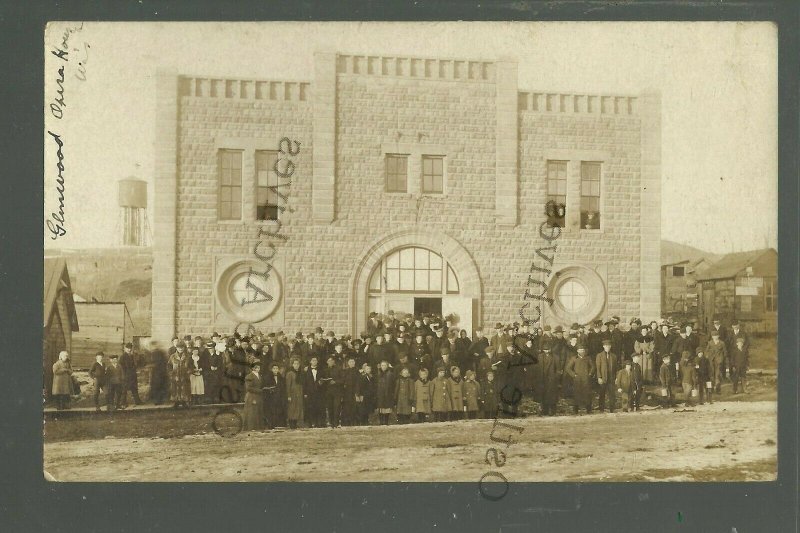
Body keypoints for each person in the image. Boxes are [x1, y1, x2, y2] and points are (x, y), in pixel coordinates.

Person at [565, 344, 595, 414]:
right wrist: (574, 375)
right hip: (577, 379)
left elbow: (593, 367)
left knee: (587, 393)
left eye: (583, 350)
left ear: (585, 351)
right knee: (577, 393)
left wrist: (590, 374)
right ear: (577, 351)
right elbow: (568, 368)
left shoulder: (588, 358)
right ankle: (576, 409)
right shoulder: (574, 358)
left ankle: (589, 409)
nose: (582, 351)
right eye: (580, 350)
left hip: (586, 379)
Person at [537, 342, 562, 416]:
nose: (546, 351)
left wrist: (555, 377)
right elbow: (537, 367)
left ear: (550, 349)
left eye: (548, 349)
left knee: (552, 396)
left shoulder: (555, 357)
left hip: (552, 380)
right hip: (543, 379)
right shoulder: (540, 356)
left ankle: (553, 411)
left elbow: (558, 370)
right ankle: (545, 411)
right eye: (545, 350)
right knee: (543, 395)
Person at [595, 338, 618, 413]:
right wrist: (599, 377)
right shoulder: (599, 355)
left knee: (612, 394)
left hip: (611, 378)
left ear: (610, 346)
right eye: (606, 346)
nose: (607, 347)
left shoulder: (614, 356)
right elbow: (598, 367)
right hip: (603, 378)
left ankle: (612, 409)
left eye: (608, 346)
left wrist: (616, 377)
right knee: (602, 394)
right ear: (603, 346)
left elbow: (616, 368)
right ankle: (601, 409)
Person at [303, 356, 326, 428]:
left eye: (315, 360)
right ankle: (310, 423)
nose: (314, 362)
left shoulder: (321, 370)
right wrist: (305, 393)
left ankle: (318, 423)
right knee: (310, 408)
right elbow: (304, 383)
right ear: (310, 361)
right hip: (310, 392)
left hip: (319, 392)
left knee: (319, 407)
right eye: (313, 360)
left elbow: (323, 379)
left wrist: (321, 383)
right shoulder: (306, 370)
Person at [242, 362, 265, 431]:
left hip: (258, 396)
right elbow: (248, 388)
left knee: (257, 411)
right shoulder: (249, 376)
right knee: (252, 412)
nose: (258, 369)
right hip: (251, 396)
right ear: (252, 368)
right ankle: (250, 427)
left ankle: (257, 427)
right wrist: (259, 390)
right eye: (256, 367)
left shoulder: (259, 376)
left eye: (258, 367)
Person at [168, 342, 191, 408]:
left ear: (184, 348)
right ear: (176, 348)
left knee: (184, 388)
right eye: (179, 347)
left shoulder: (187, 356)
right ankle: (176, 402)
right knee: (175, 388)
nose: (180, 349)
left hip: (184, 376)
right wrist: (171, 373)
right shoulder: (172, 356)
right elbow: (169, 365)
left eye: (182, 347)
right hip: (175, 376)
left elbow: (191, 366)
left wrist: (189, 371)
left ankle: (184, 401)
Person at [322, 356, 344, 428]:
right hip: (328, 392)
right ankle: (331, 423)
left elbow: (343, 380)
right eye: (328, 361)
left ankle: (336, 423)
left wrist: (335, 382)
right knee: (330, 407)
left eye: (331, 360)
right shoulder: (325, 370)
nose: (330, 362)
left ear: (334, 361)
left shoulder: (339, 369)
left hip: (337, 391)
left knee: (337, 407)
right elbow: (323, 379)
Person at [264, 362, 287, 429]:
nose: (275, 370)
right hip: (271, 398)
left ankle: (278, 424)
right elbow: (265, 388)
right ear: (271, 369)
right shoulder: (267, 377)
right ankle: (271, 425)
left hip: (279, 397)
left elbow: (283, 387)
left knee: (279, 410)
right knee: (271, 411)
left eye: (277, 368)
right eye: (274, 368)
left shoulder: (281, 377)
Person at [119, 342, 142, 406]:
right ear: (125, 349)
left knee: (134, 388)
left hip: (132, 375)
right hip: (126, 375)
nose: (129, 350)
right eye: (127, 348)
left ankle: (137, 401)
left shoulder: (132, 356)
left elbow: (135, 365)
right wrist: (123, 375)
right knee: (124, 390)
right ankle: (123, 403)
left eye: (130, 348)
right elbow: (121, 367)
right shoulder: (122, 357)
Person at [706, 330, 728, 394]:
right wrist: (707, 356)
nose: (715, 337)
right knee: (711, 375)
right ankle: (711, 389)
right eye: (713, 336)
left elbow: (725, 352)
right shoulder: (710, 343)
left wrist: (723, 359)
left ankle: (718, 390)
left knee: (718, 375)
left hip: (719, 362)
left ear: (718, 336)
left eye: (716, 336)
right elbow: (706, 351)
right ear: (712, 337)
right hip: (711, 361)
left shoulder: (722, 343)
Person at [285, 358, 304, 429]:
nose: (296, 365)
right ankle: (291, 424)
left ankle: (296, 423)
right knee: (292, 408)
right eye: (295, 364)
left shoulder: (300, 373)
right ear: (292, 364)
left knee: (298, 408)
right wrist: (289, 395)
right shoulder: (290, 373)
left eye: (298, 364)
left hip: (299, 392)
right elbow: (288, 385)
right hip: (292, 393)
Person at [341, 356, 360, 426]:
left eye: (353, 362)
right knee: (346, 408)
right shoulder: (345, 371)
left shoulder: (357, 371)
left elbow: (358, 383)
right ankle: (346, 423)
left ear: (355, 363)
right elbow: (343, 382)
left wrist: (357, 393)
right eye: (350, 362)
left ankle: (354, 423)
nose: (352, 363)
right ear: (348, 363)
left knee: (354, 408)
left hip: (354, 392)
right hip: (347, 392)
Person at [375, 360, 395, 425]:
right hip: (380, 393)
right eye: (382, 365)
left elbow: (393, 384)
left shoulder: (390, 374)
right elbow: (376, 384)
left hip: (388, 393)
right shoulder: (378, 374)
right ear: (380, 366)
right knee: (381, 407)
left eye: (385, 365)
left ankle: (386, 422)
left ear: (387, 366)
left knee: (387, 407)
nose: (383, 367)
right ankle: (381, 422)